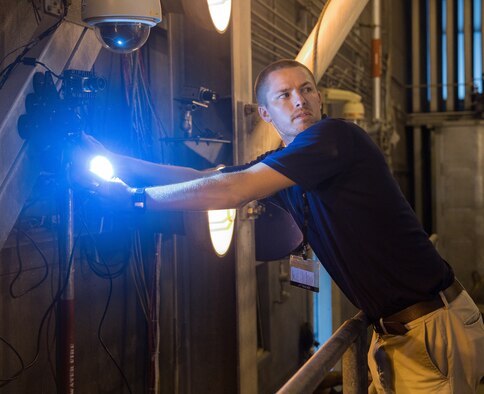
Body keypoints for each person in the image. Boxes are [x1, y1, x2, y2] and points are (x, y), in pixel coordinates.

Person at [77, 59, 484, 393]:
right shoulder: (288, 167)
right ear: (266, 113)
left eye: (307, 89)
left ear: (320, 98)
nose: (300, 100)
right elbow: (213, 174)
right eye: (285, 95)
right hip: (398, 335)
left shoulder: (336, 137)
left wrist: (134, 200)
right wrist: (125, 165)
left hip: (430, 329)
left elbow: (234, 190)